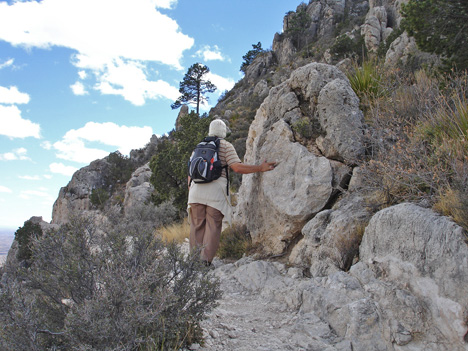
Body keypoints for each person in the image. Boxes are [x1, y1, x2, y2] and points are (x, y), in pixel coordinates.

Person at [187, 119, 276, 265]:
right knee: (213, 226)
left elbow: (190, 172)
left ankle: (193, 262)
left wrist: (191, 189)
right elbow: (237, 167)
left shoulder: (198, 148)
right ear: (223, 131)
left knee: (196, 225)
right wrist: (260, 168)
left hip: (196, 191)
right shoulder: (226, 146)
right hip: (215, 192)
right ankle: (204, 263)